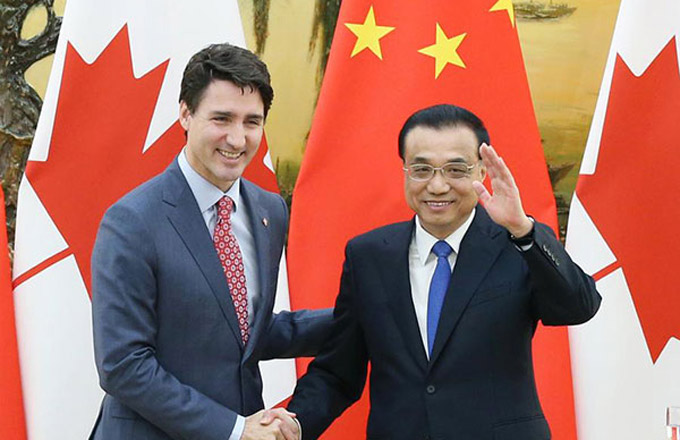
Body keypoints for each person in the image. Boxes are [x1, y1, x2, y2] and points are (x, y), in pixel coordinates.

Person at [281, 104, 601, 439]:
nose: (437, 186)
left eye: (455, 170)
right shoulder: (369, 256)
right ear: (405, 170)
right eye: (421, 170)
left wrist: (522, 228)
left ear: (481, 172)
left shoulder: (518, 243)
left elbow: (579, 306)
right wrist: (292, 425)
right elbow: (339, 370)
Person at [90, 43, 332, 440]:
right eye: (222, 118)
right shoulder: (132, 221)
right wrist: (235, 430)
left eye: (252, 122)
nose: (237, 139)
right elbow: (123, 364)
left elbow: (241, 330)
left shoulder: (270, 210)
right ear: (185, 113)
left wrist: (358, 316)